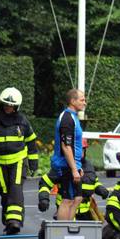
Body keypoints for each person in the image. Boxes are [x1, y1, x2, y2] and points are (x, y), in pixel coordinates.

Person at [0, 87, 38, 235]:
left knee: (15, 189)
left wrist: (33, 162)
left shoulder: (22, 121)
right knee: (5, 192)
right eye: (6, 105)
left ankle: (15, 221)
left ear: (16, 107)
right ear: (1, 104)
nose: (8, 108)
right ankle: (8, 219)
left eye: (11, 106)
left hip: (18, 162)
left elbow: (31, 142)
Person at [50, 89, 86, 222]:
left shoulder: (73, 117)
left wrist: (78, 166)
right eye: (82, 100)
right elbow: (66, 146)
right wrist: (73, 169)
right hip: (65, 165)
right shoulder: (67, 118)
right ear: (72, 101)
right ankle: (62, 233)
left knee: (77, 198)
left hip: (72, 165)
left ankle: (69, 229)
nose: (85, 103)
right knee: (67, 200)